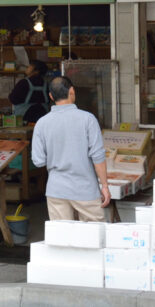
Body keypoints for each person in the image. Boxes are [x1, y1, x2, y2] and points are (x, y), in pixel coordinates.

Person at [31, 75, 110, 222]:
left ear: (50, 96)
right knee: (93, 239)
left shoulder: (41, 123)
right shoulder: (88, 119)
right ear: (72, 91)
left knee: (62, 240)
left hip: (56, 191)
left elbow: (38, 161)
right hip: (85, 190)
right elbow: (97, 156)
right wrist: (104, 186)